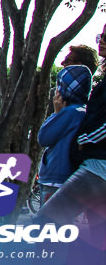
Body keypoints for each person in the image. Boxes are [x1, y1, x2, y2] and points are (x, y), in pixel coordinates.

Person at [34, 26, 106, 249]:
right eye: (100, 35)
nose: (100, 40)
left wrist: (84, 140)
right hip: (96, 166)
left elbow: (45, 137)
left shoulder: (72, 112)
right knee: (96, 240)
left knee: (46, 226)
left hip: (98, 167)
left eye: (105, 36)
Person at [36, 64, 91, 205]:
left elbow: (44, 137)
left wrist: (56, 113)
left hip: (56, 178)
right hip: (73, 176)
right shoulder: (85, 111)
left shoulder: (70, 113)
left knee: (51, 224)